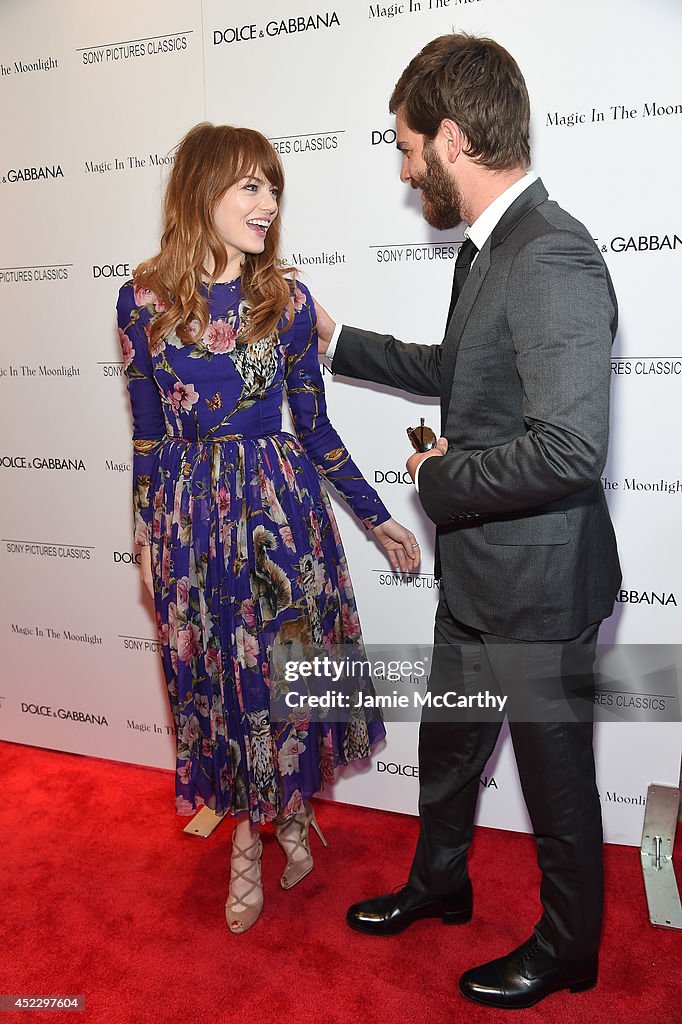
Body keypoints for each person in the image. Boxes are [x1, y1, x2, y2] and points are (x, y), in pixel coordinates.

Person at [315, 33, 621, 1010]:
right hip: (479, 578)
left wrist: (442, 483)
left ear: (451, 138)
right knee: (450, 750)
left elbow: (569, 448)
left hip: (539, 586)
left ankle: (570, 949)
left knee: (557, 784)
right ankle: (440, 882)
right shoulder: (491, 248)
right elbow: (464, 372)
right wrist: (337, 339)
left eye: (408, 149)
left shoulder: (551, 252)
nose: (405, 172)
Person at [116, 122, 419, 935]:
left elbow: (314, 428)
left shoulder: (283, 299)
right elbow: (146, 431)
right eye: (250, 185)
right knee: (218, 686)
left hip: (277, 517)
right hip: (191, 520)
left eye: (273, 187)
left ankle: (286, 814)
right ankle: (248, 843)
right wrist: (146, 536)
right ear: (202, 190)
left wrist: (378, 514)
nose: (268, 202)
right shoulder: (142, 299)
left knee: (282, 676)